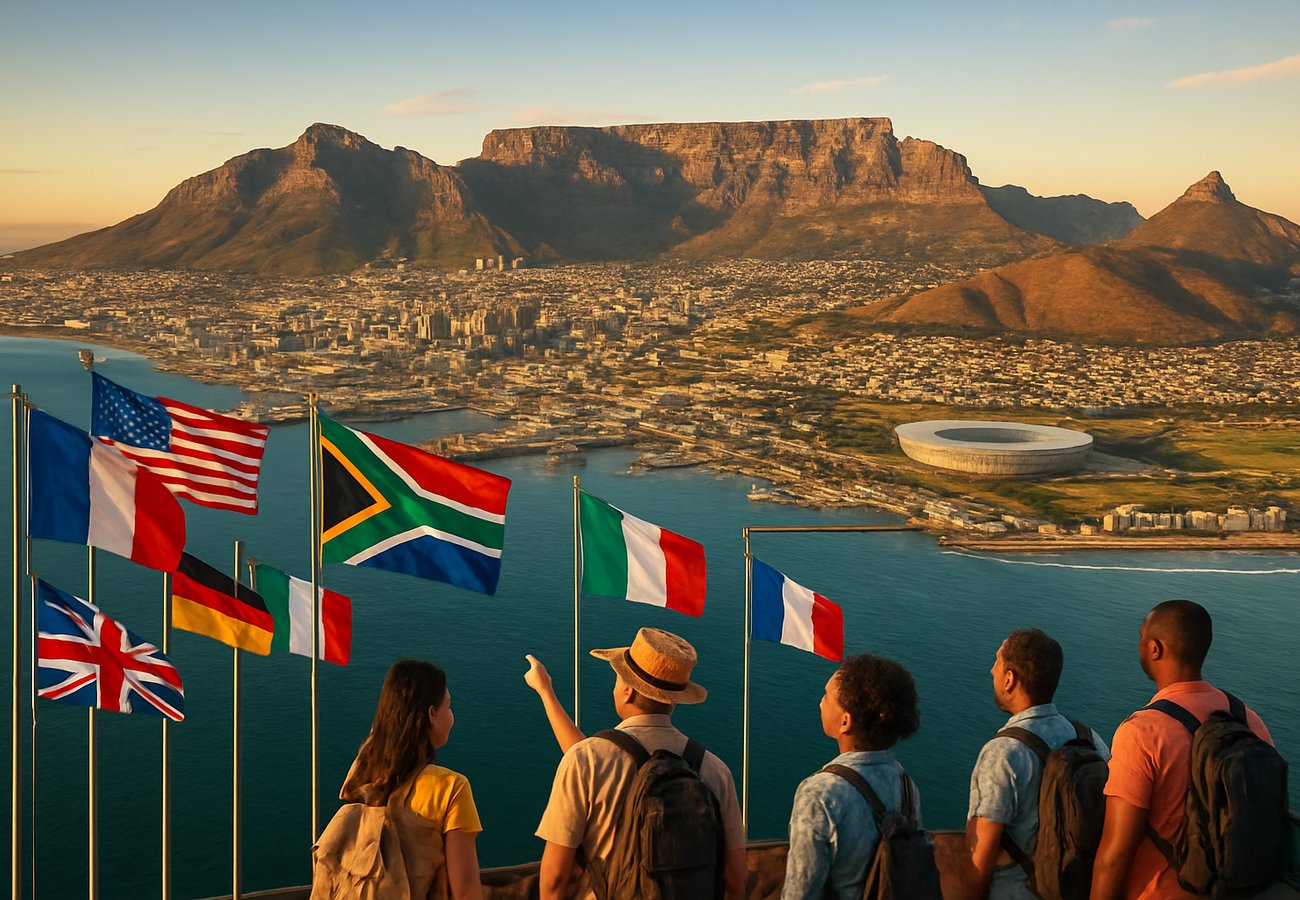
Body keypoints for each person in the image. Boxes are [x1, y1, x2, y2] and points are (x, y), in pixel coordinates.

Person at [526, 627, 747, 900]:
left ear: (628, 691)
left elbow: (554, 880)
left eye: (617, 681)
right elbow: (736, 878)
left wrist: (545, 690)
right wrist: (546, 692)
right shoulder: (714, 769)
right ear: (673, 699)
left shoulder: (586, 761)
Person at [1090, 600, 1274, 900]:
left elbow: (1114, 855)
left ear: (1155, 649)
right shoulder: (1249, 720)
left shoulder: (1142, 732)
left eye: (1142, 636)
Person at [967, 628, 1110, 899]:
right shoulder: (1090, 739)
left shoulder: (1003, 753)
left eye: (997, 663)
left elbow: (979, 858)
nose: (991, 670)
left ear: (1009, 679)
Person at [330, 659, 483, 900]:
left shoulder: (360, 773)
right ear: (432, 713)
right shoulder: (451, 788)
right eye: (449, 707)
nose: (452, 716)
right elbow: (466, 893)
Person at [782, 653, 923, 900]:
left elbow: (801, 891)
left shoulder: (820, 794)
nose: (821, 703)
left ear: (845, 722)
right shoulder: (906, 785)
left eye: (826, 696)